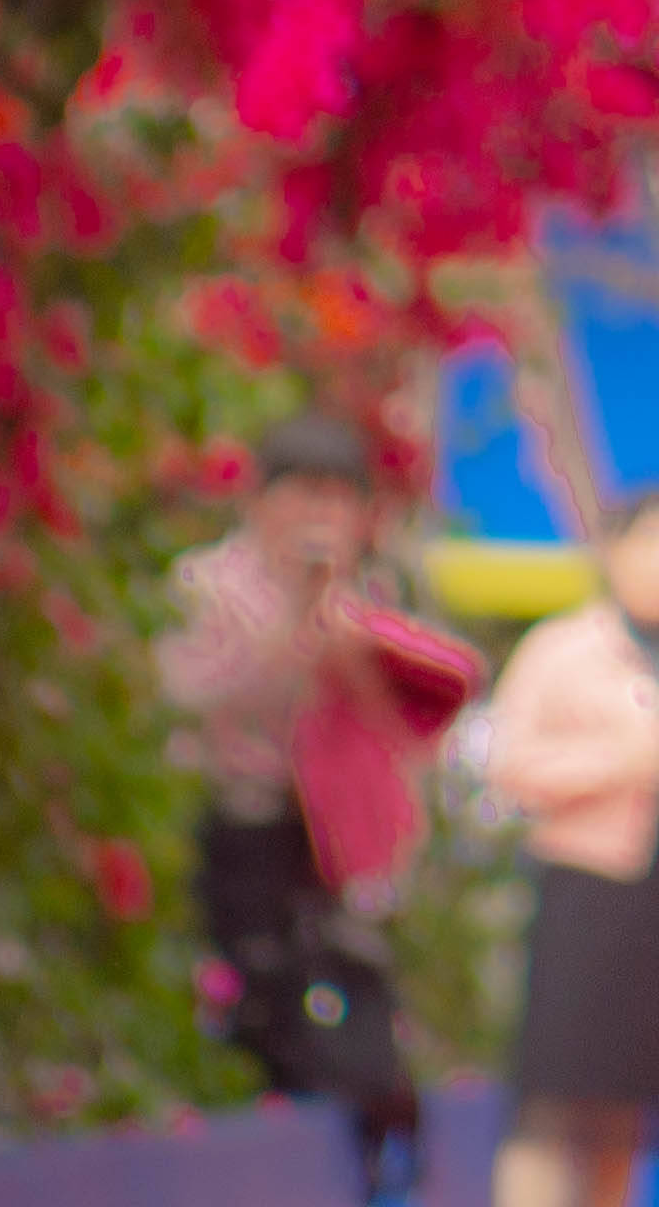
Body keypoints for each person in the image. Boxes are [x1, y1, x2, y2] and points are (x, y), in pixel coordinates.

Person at [161, 409, 429, 1194]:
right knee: (259, 1032)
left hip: (335, 853)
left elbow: (399, 735)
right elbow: (196, 698)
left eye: (337, 499)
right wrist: (298, 622)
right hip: (239, 836)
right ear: (260, 502)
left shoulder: (370, 599)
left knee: (363, 1047)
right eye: (304, 495)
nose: (321, 517)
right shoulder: (205, 587)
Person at [481, 489, 659, 1207]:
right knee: (551, 1100)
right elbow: (509, 764)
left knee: (625, 1110)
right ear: (616, 549)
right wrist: (615, 763)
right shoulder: (563, 647)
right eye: (657, 542)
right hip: (583, 892)